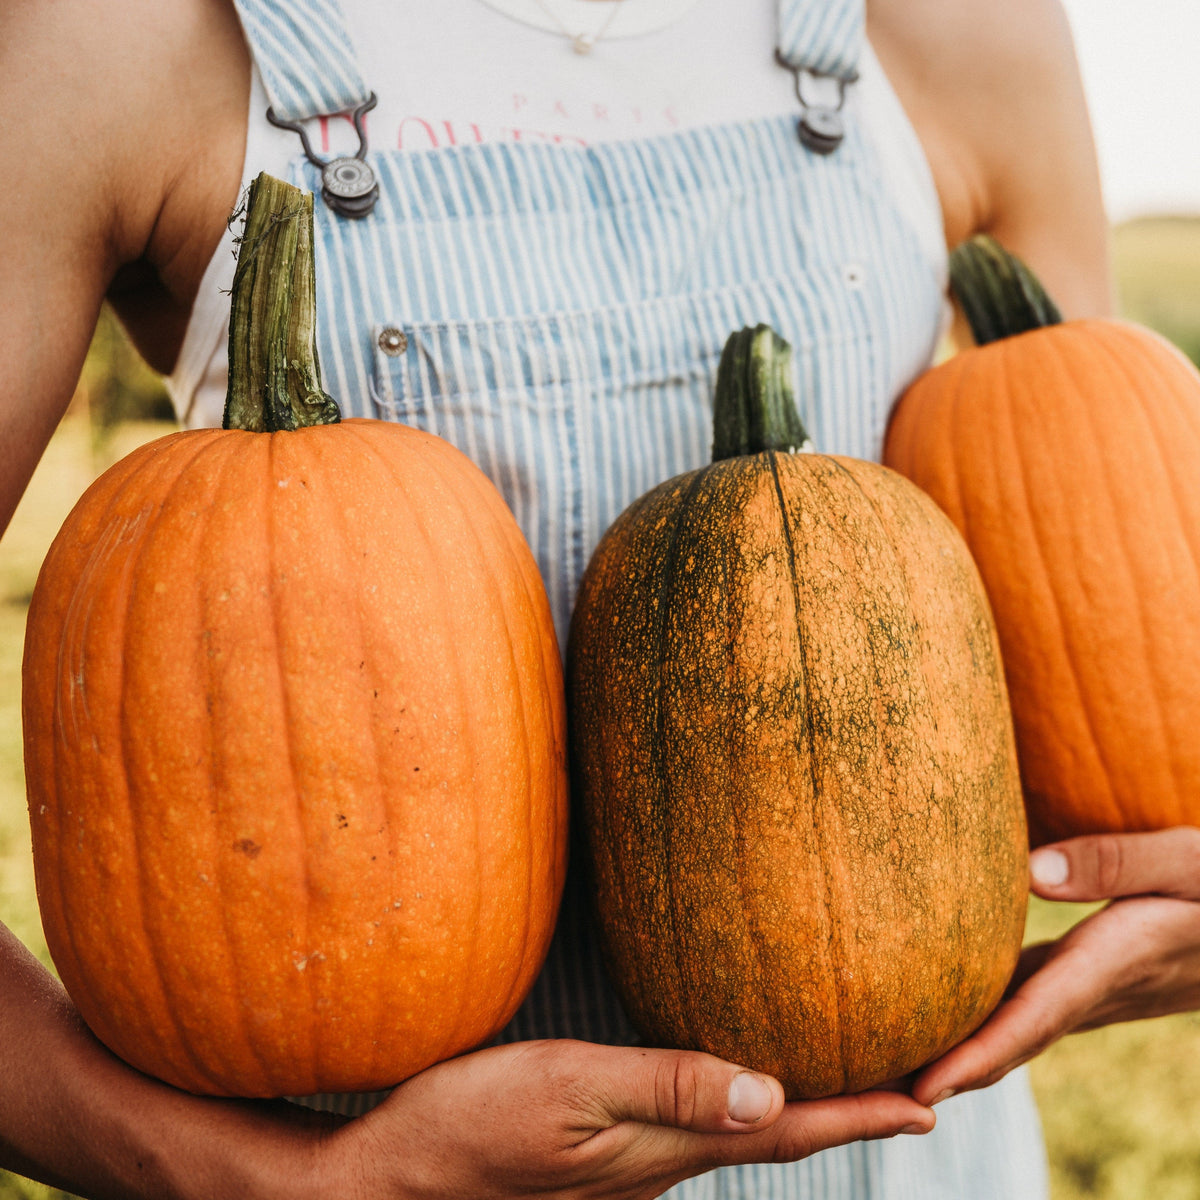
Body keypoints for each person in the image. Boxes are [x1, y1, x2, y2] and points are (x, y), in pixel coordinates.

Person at [2, 0, 1198, 1197]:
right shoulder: (118, 36)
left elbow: (1100, 591)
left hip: (922, 1155)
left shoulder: (966, 26)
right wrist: (287, 1183)